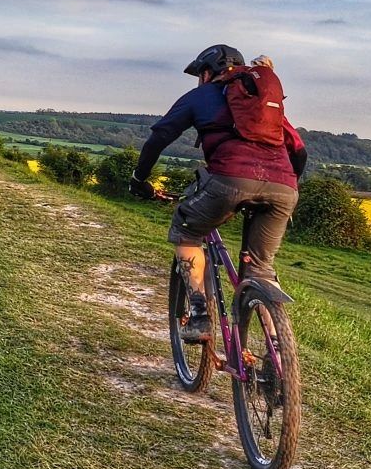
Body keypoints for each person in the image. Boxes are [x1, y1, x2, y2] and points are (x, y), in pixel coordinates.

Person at [129, 44, 307, 344]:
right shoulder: (266, 104)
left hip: (229, 180)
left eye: (200, 74)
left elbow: (160, 136)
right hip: (284, 187)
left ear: (207, 72)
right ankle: (279, 346)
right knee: (260, 269)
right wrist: (283, 187)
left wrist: (139, 178)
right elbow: (299, 152)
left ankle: (199, 316)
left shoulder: (202, 95)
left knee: (188, 231)